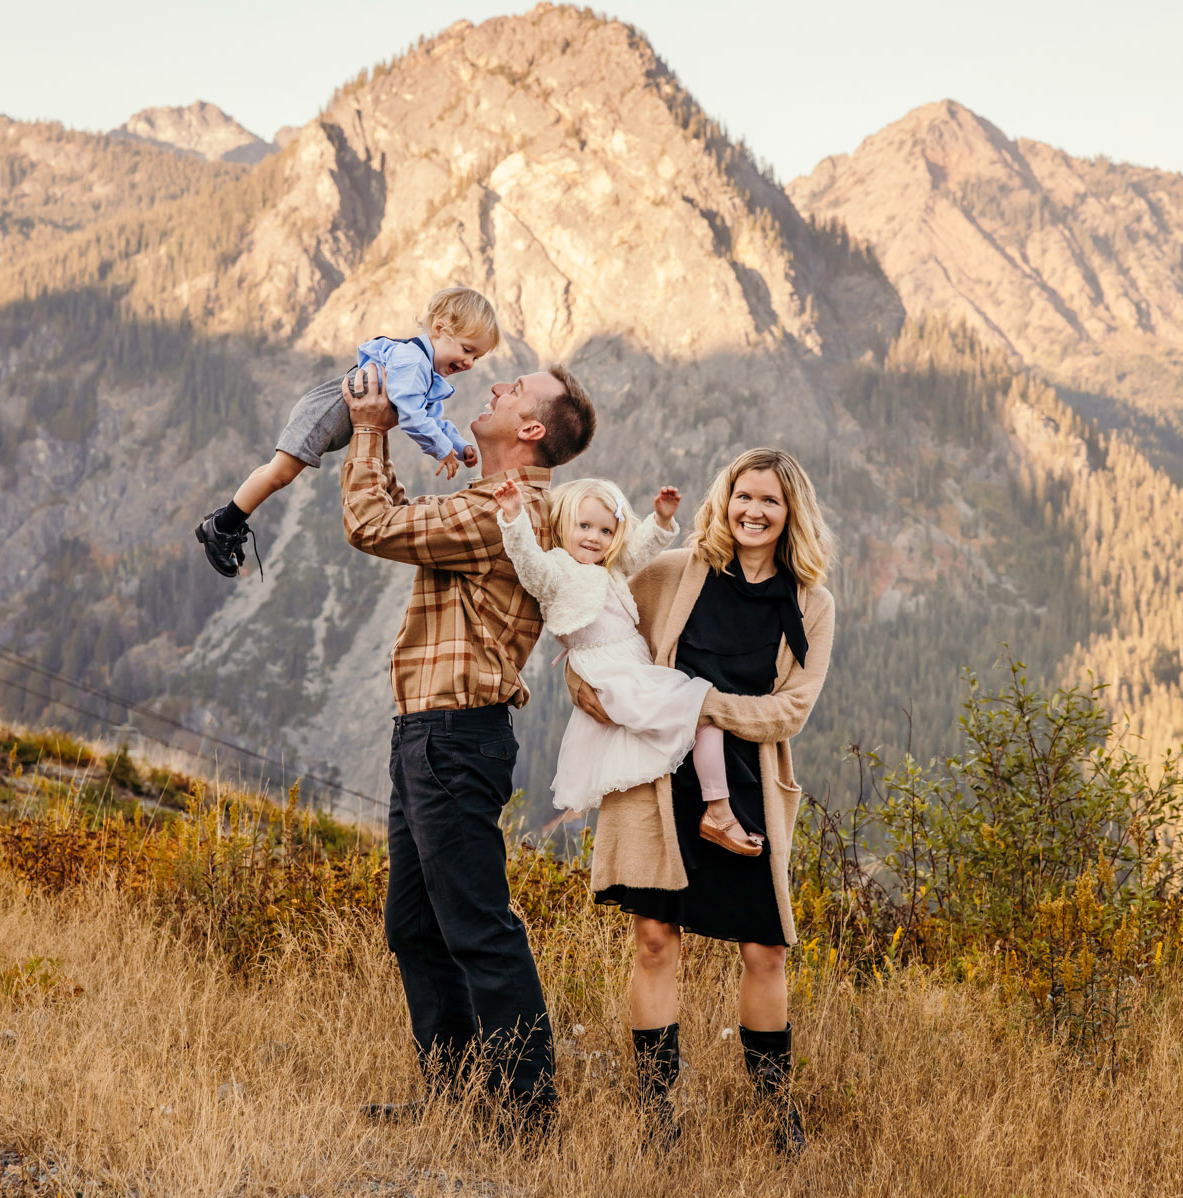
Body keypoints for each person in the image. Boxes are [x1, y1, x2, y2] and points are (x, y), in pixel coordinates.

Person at [340, 351, 597, 1134]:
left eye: (513, 388)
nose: (494, 385)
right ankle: (454, 1099)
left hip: (453, 737)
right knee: (416, 927)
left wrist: (365, 433)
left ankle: (527, 1113)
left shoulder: (499, 510)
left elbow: (370, 525)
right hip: (430, 735)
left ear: (527, 428)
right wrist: (380, 435)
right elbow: (403, 519)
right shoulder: (491, 499)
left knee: (479, 927)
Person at [573, 448, 837, 1154]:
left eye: (770, 502)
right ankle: (659, 1114)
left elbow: (792, 710)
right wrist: (582, 681)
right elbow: (597, 616)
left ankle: (777, 1113)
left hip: (747, 785)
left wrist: (701, 706)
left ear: (791, 515)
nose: (753, 511)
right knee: (657, 941)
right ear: (725, 500)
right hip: (658, 780)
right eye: (743, 496)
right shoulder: (677, 571)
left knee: (765, 950)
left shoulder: (810, 601)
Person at [491, 476, 756, 854]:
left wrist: (661, 521)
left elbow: (637, 554)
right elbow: (528, 563)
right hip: (612, 672)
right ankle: (718, 810)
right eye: (584, 526)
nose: (594, 538)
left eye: (605, 530)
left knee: (690, 724)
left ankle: (703, 815)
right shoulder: (556, 570)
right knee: (702, 714)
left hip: (634, 665)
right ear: (562, 524)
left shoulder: (608, 567)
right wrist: (513, 517)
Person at [197, 286, 500, 577]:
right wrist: (440, 450)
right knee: (281, 474)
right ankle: (221, 527)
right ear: (439, 328)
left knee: (275, 470)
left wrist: (460, 447)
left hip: (336, 418)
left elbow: (435, 420)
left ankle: (225, 520)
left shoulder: (427, 373)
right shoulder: (412, 363)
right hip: (326, 412)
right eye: (467, 349)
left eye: (477, 357)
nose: (470, 362)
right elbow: (411, 415)